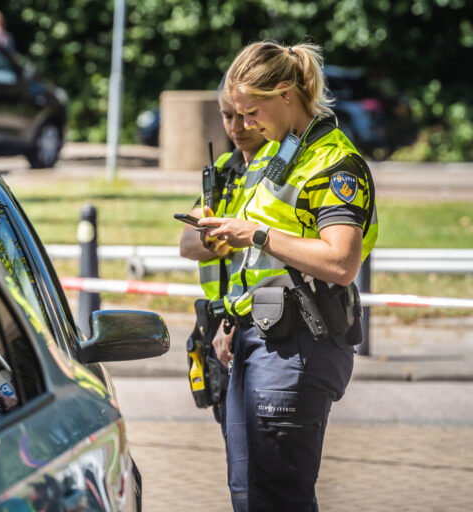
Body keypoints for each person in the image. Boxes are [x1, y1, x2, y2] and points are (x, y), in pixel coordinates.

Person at [199, 41, 378, 511]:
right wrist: (234, 323)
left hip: (299, 342)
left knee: (278, 498)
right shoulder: (281, 153)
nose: (246, 124)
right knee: (249, 492)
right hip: (256, 337)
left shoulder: (334, 163)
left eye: (252, 111)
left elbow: (341, 263)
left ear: (284, 94)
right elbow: (265, 269)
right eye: (236, 114)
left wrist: (255, 234)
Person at [179, 82, 270, 436]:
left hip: (255, 322)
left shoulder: (277, 169)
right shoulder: (223, 169)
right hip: (219, 321)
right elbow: (187, 244)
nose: (236, 127)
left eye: (246, 116)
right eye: (227, 116)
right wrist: (212, 242)